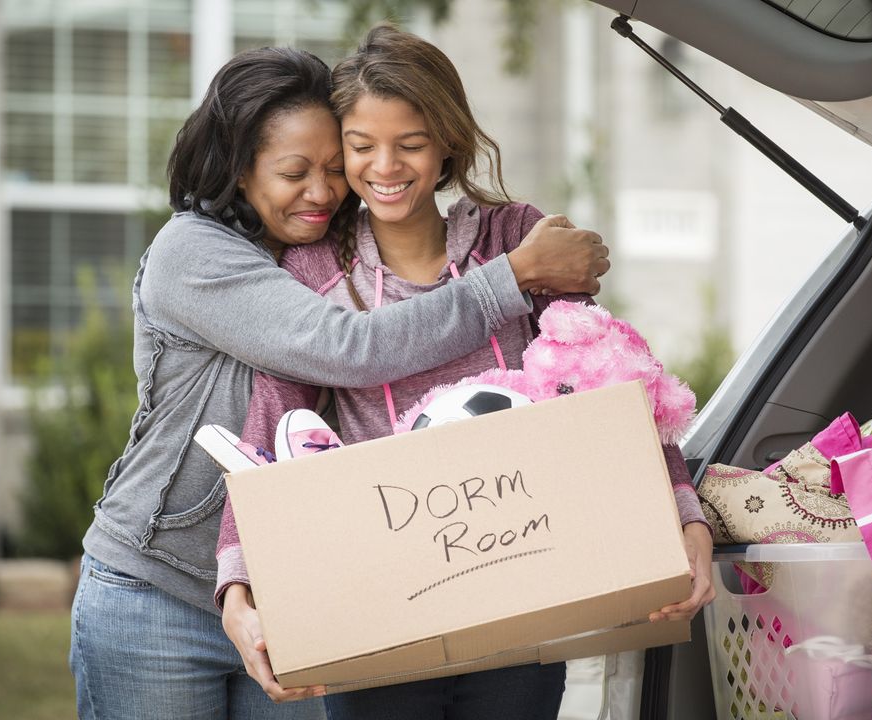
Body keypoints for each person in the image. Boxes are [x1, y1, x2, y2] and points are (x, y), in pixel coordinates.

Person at [68, 46, 610, 720]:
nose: (322, 191)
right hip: (160, 594)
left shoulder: (317, 255)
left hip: (290, 591)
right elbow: (348, 348)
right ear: (239, 172)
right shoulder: (194, 254)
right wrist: (514, 274)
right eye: (294, 172)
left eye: (332, 168)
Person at [214, 26, 715, 719]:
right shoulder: (315, 270)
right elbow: (266, 432)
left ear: (447, 139)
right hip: (382, 618)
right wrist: (238, 590)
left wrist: (684, 516)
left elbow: (609, 378)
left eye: (411, 143)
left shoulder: (515, 240)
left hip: (525, 599)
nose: (385, 166)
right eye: (361, 146)